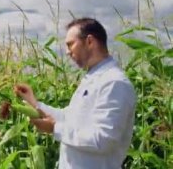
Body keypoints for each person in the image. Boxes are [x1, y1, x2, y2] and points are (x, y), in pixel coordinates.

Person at [14, 17, 136, 169]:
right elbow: (69, 118)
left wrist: (54, 129)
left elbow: (103, 140)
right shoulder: (92, 78)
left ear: (89, 41)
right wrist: (34, 104)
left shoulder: (114, 83)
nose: (67, 52)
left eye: (70, 44)